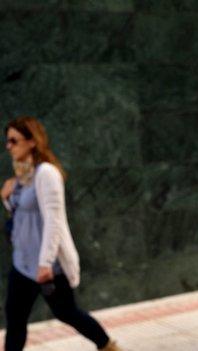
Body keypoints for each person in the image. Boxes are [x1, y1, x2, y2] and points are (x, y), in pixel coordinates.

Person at [0, 117, 121, 351]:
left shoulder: (46, 174)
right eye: (7, 141)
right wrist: (6, 197)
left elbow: (53, 221)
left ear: (32, 142)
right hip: (22, 263)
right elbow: (22, 216)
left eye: (14, 141)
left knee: (67, 313)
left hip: (47, 267)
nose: (8, 146)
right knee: (15, 319)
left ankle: (108, 346)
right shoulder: (20, 177)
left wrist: (45, 264)